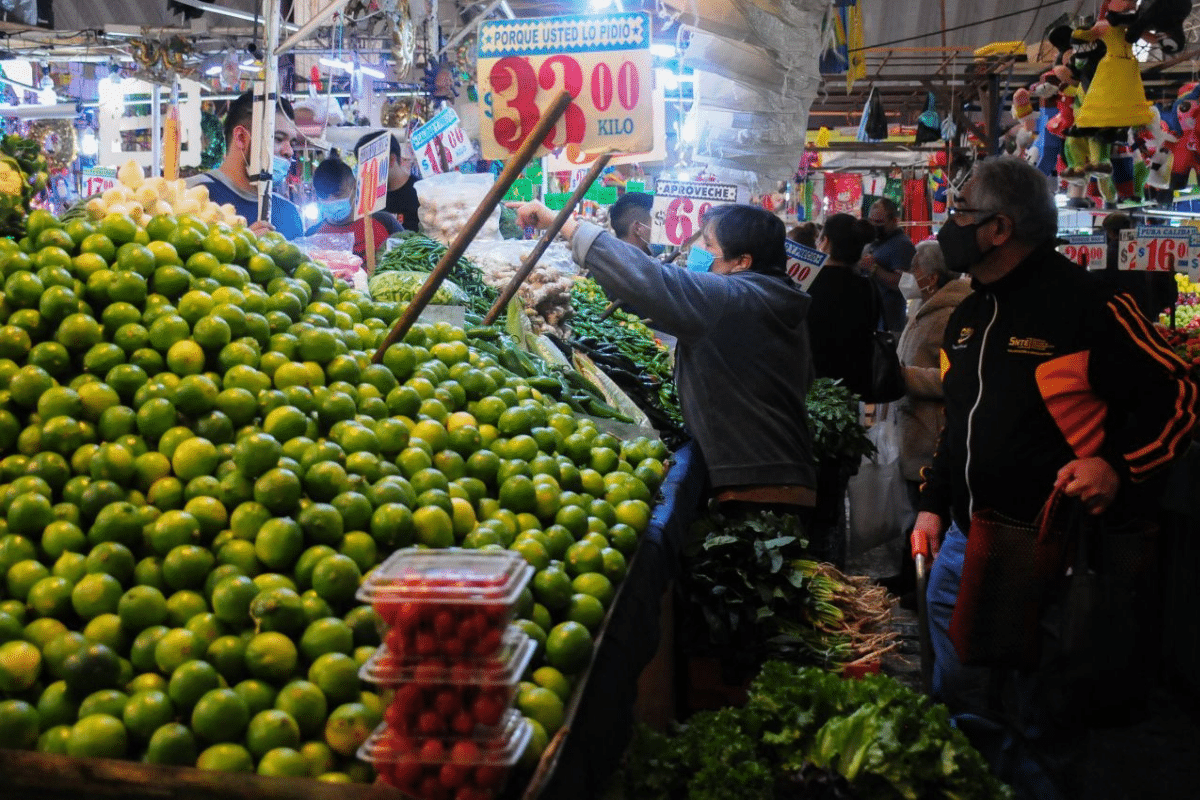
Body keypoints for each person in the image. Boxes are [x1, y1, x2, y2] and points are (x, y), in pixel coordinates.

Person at [915, 156, 1197, 799]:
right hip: (962, 541)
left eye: (960, 214)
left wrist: (1118, 468)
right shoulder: (967, 316)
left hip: (1055, 552)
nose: (948, 227)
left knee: (1043, 714)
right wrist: (932, 504)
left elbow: (1180, 392)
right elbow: (959, 427)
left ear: (999, 229)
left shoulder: (1089, 304)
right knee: (957, 703)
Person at [513, 199, 818, 518]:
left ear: (742, 261)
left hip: (755, 488)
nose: (700, 251)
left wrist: (559, 220)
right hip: (788, 473)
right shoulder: (780, 299)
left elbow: (649, 278)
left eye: (709, 245)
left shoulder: (731, 298)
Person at [879, 240, 970, 602]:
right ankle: (908, 576)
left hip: (933, 429)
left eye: (915, 269)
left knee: (928, 512)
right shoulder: (927, 307)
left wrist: (906, 376)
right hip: (913, 424)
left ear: (930, 277)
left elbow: (956, 378)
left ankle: (923, 586)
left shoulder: (952, 313)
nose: (909, 276)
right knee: (912, 511)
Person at [186, 90, 304, 239]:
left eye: (292, 143)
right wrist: (240, 247)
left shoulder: (288, 214)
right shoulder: (190, 195)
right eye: (278, 139)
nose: (289, 151)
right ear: (241, 137)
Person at [805, 213, 878, 396]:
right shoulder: (866, 286)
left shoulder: (808, 283)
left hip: (813, 384)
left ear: (825, 242)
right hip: (855, 384)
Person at [305, 154, 403, 268]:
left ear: (354, 186)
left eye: (338, 194)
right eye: (324, 195)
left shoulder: (385, 223)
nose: (331, 200)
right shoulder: (311, 235)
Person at [1094, 211, 1178, 320]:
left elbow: (1098, 292)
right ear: (1131, 227)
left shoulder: (1104, 258)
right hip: (1147, 319)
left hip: (1118, 320)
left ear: (1110, 232)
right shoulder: (1151, 251)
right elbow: (1169, 292)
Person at [861, 198, 915, 332]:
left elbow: (904, 285)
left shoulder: (902, 245)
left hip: (889, 325)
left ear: (894, 221)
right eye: (871, 221)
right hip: (870, 320)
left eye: (879, 222)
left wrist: (874, 268)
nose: (874, 226)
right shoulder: (872, 243)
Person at [354, 132, 420, 232]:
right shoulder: (369, 198)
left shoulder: (421, 195)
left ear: (391, 160)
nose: (365, 174)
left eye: (370, 166)